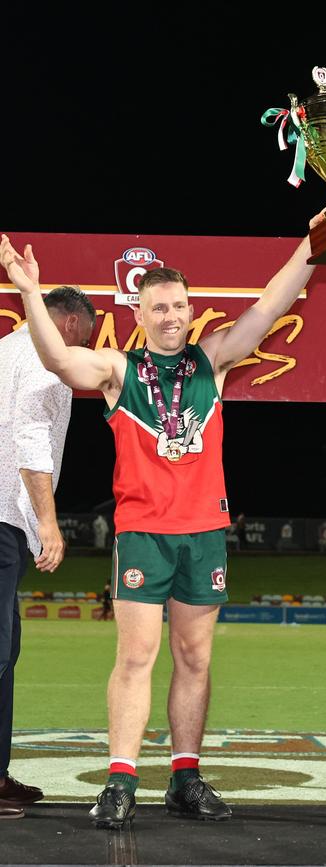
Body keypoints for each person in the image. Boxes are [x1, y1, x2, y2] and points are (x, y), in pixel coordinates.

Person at [0, 219, 322, 830]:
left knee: (195, 658)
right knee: (136, 657)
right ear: (139, 311)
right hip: (143, 531)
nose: (169, 315)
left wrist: (317, 242)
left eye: (177, 305)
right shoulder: (119, 371)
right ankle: (121, 780)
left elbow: (274, 300)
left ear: (189, 308)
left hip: (204, 533)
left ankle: (185, 776)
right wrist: (28, 293)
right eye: (157, 307)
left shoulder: (216, 359)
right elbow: (57, 357)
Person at [0, 286, 96, 820]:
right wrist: (49, 524)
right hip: (4, 520)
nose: (79, 352)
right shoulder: (42, 354)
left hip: (5, 522)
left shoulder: (5, 349)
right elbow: (32, 438)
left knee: (5, 653)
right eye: (81, 336)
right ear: (67, 323)